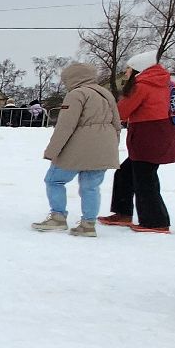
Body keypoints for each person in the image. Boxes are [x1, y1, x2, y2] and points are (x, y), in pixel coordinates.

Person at [32, 62, 120, 237]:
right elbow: (117, 123)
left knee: (54, 180)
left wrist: (52, 151)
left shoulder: (76, 94)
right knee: (91, 187)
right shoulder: (106, 94)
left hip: (78, 147)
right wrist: (112, 146)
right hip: (104, 147)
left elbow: (65, 126)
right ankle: (88, 224)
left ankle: (58, 217)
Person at [100, 52, 175, 233]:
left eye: (128, 69)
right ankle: (123, 212)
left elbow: (123, 111)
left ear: (138, 69)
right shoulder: (160, 82)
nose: (126, 72)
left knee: (145, 179)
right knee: (126, 173)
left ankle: (156, 221)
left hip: (147, 136)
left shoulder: (141, 85)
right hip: (158, 134)